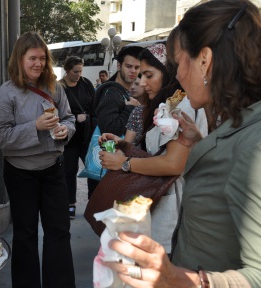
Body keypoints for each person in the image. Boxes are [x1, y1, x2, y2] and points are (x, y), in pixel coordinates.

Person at [103, 1, 261, 287]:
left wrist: (177, 278)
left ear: (204, 60)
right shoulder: (237, 126)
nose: (176, 75)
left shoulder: (255, 147)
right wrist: (201, 143)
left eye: (180, 62)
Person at [98, 43, 208, 254]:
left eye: (149, 75)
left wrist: (124, 163)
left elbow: (173, 163)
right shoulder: (165, 105)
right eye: (141, 76)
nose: (142, 82)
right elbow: (160, 153)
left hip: (173, 216)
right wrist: (126, 146)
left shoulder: (180, 106)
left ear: (167, 72)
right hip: (160, 210)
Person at [0, 31, 76, 288]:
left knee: (59, 233)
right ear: (20, 59)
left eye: (42, 58)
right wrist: (35, 126)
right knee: (25, 235)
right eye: (32, 58)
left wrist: (66, 131)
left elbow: (70, 119)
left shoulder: (55, 87)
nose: (38, 64)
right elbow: (0, 137)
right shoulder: (7, 93)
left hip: (53, 170)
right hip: (20, 174)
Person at [88, 46, 143, 198]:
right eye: (128, 66)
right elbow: (110, 128)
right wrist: (130, 109)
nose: (133, 71)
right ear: (119, 66)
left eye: (137, 67)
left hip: (113, 163)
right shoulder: (112, 93)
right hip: (108, 168)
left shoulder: (122, 91)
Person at [59, 56, 95, 220]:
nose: (79, 74)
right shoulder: (59, 87)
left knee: (93, 169)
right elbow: (55, 113)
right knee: (69, 171)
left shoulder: (86, 83)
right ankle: (70, 205)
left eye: (81, 70)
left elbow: (95, 105)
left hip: (87, 135)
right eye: (75, 71)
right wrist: (75, 117)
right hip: (70, 139)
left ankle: (94, 203)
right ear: (67, 70)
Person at [125, 74, 150, 144]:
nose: (132, 87)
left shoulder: (154, 108)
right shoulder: (125, 102)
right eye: (131, 84)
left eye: (136, 84)